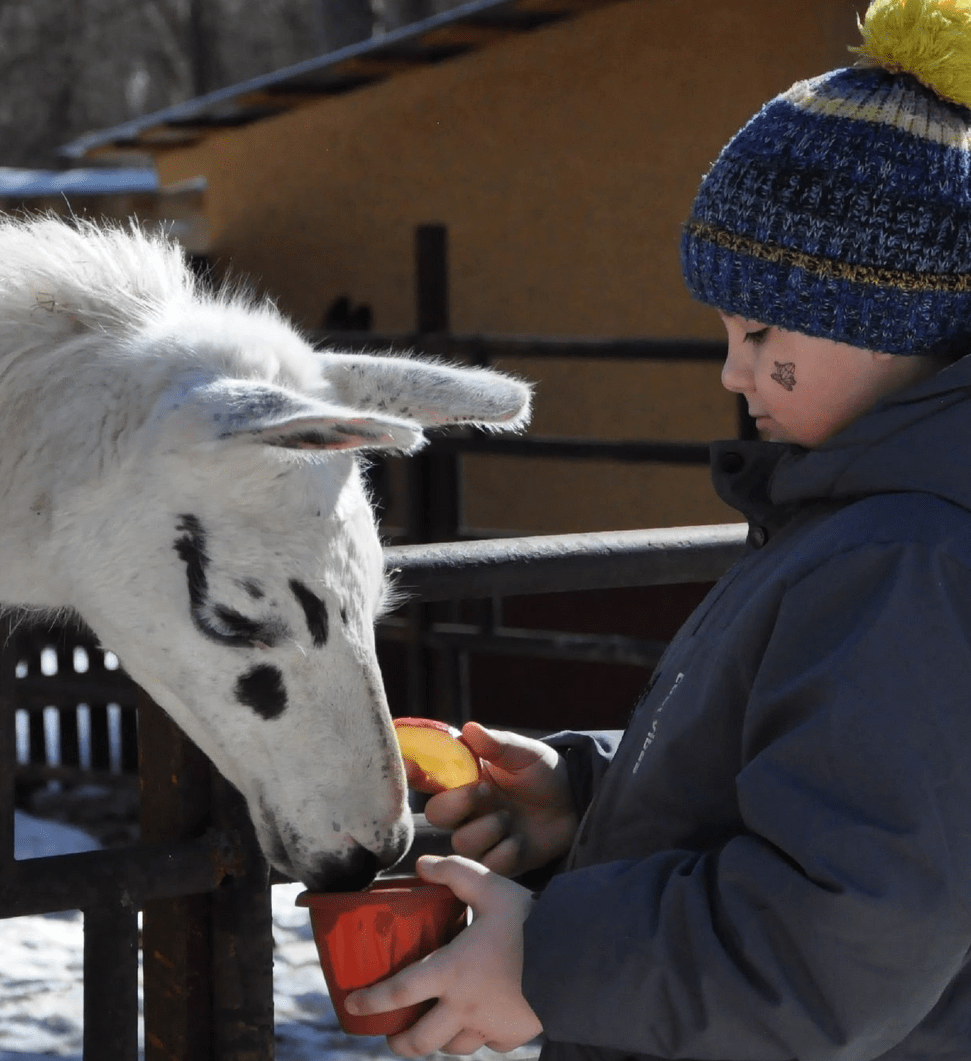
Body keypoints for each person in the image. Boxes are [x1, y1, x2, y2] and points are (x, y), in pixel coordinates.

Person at [343, 0, 971, 1057]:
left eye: (759, 330)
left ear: (892, 320)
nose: (731, 371)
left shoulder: (903, 557)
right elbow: (817, 779)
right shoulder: (859, 523)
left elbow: (840, 941)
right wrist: (585, 797)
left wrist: (542, 962)